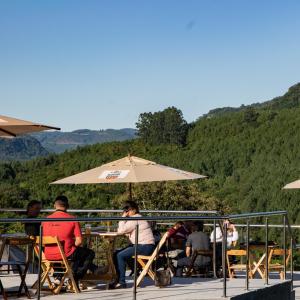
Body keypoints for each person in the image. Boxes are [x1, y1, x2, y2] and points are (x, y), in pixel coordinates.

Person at [42, 195, 96, 287]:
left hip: (48, 254)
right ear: (67, 206)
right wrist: (71, 246)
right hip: (65, 254)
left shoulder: (45, 220)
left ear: (55, 206)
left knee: (77, 254)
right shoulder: (72, 219)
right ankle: (75, 279)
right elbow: (79, 241)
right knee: (88, 253)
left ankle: (59, 276)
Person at [111, 200, 155, 289]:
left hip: (144, 246)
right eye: (126, 210)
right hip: (144, 245)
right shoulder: (137, 218)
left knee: (120, 255)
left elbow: (121, 231)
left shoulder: (135, 218)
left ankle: (122, 282)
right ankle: (117, 279)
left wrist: (123, 217)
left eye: (129, 210)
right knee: (116, 253)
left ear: (134, 210)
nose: (128, 212)